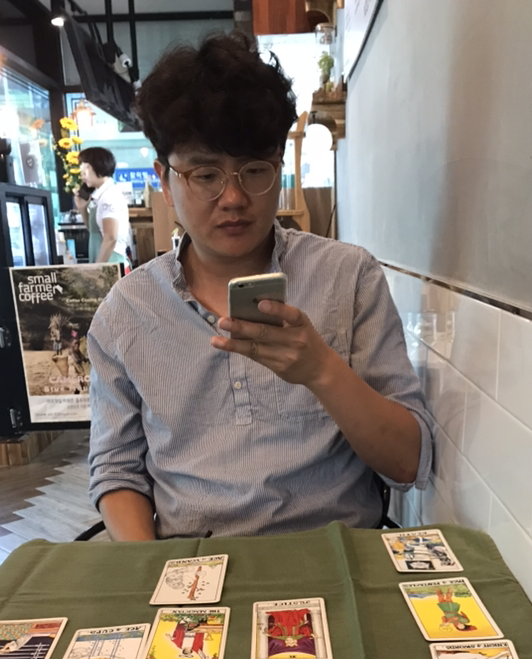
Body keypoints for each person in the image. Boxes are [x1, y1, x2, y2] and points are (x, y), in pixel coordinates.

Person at [87, 32, 433, 541]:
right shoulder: (126, 311)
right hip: (194, 565)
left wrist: (321, 370)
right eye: (206, 174)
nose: (233, 197)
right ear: (165, 180)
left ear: (278, 167)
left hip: (336, 557)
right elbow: (117, 471)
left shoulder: (348, 277)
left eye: (254, 170)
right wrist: (150, 570)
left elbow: (408, 463)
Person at [75, 148, 130, 264]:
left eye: (86, 167)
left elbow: (110, 238)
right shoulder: (101, 195)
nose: (82, 172)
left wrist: (98, 269)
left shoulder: (109, 196)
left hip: (112, 261)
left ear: (99, 166)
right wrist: (82, 209)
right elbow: (95, 231)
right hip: (105, 259)